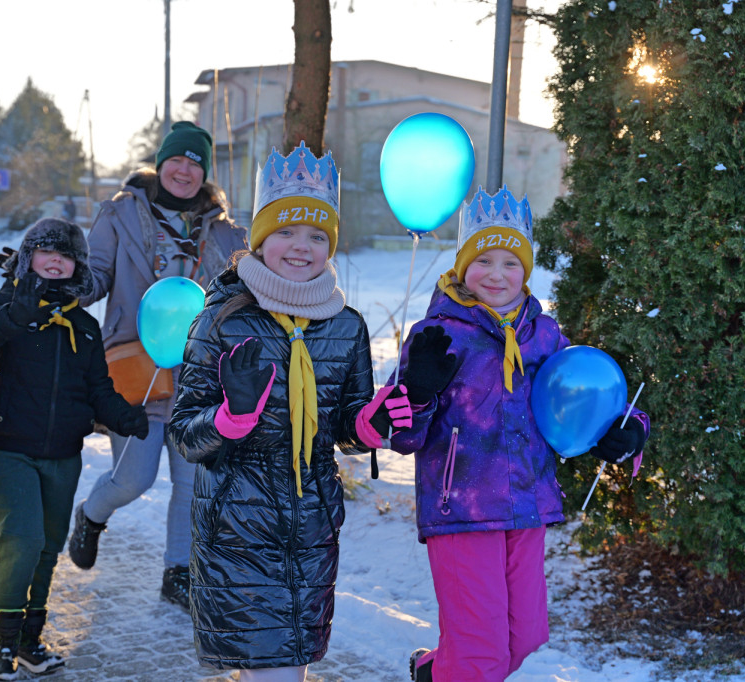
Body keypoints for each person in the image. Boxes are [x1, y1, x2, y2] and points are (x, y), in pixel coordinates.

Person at [379, 186, 651, 682]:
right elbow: (401, 435)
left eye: (511, 262)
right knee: (481, 655)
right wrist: (415, 391)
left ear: (525, 270)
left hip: (526, 506)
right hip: (460, 509)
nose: (497, 275)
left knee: (521, 638)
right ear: (464, 267)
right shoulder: (438, 334)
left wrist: (626, 429)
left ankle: (432, 672)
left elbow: (584, 395)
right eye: (484, 261)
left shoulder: (544, 335)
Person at [167, 143, 414, 680]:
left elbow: (347, 423)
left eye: (317, 236)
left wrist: (369, 424)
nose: (301, 247)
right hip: (238, 525)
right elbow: (185, 433)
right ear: (259, 238)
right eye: (285, 232)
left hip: (312, 527)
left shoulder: (346, 325)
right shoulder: (222, 321)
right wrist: (230, 418)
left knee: (290, 668)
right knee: (270, 672)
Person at [64, 121, 247, 611]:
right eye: (176, 160)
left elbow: (241, 294)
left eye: (194, 163)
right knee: (134, 477)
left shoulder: (227, 231)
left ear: (205, 172)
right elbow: (97, 274)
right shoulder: (120, 212)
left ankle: (178, 572)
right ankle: (92, 515)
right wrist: (66, 285)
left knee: (191, 482)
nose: (184, 170)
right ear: (160, 162)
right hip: (135, 367)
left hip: (200, 372)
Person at [0, 218, 149, 680]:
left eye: (67, 255)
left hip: (63, 452)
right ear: (29, 258)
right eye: (47, 251)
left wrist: (121, 413)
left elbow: (97, 388)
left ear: (77, 267)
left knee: (47, 547)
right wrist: (16, 313)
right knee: (22, 539)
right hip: (7, 447)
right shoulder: (7, 304)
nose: (57, 260)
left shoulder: (83, 324)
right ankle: (1, 638)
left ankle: (29, 638)